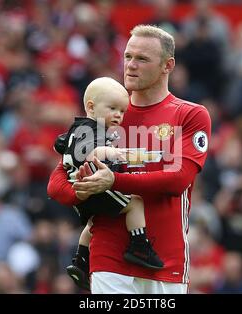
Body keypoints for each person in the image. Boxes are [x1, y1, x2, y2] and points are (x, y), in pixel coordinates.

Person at [47, 24, 211, 294]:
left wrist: (112, 181)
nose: (131, 65)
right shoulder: (108, 113)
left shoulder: (189, 114)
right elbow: (57, 183)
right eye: (128, 56)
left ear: (167, 66)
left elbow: (178, 181)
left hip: (165, 260)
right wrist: (81, 188)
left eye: (142, 59)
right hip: (109, 257)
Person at [53, 77, 164, 291]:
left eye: (121, 111)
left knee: (93, 222)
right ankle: (139, 246)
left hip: (77, 187)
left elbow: (60, 143)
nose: (118, 115)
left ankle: (80, 260)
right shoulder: (92, 131)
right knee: (135, 203)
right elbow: (93, 153)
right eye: (112, 108)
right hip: (92, 185)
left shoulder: (77, 128)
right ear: (91, 107)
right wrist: (119, 154)